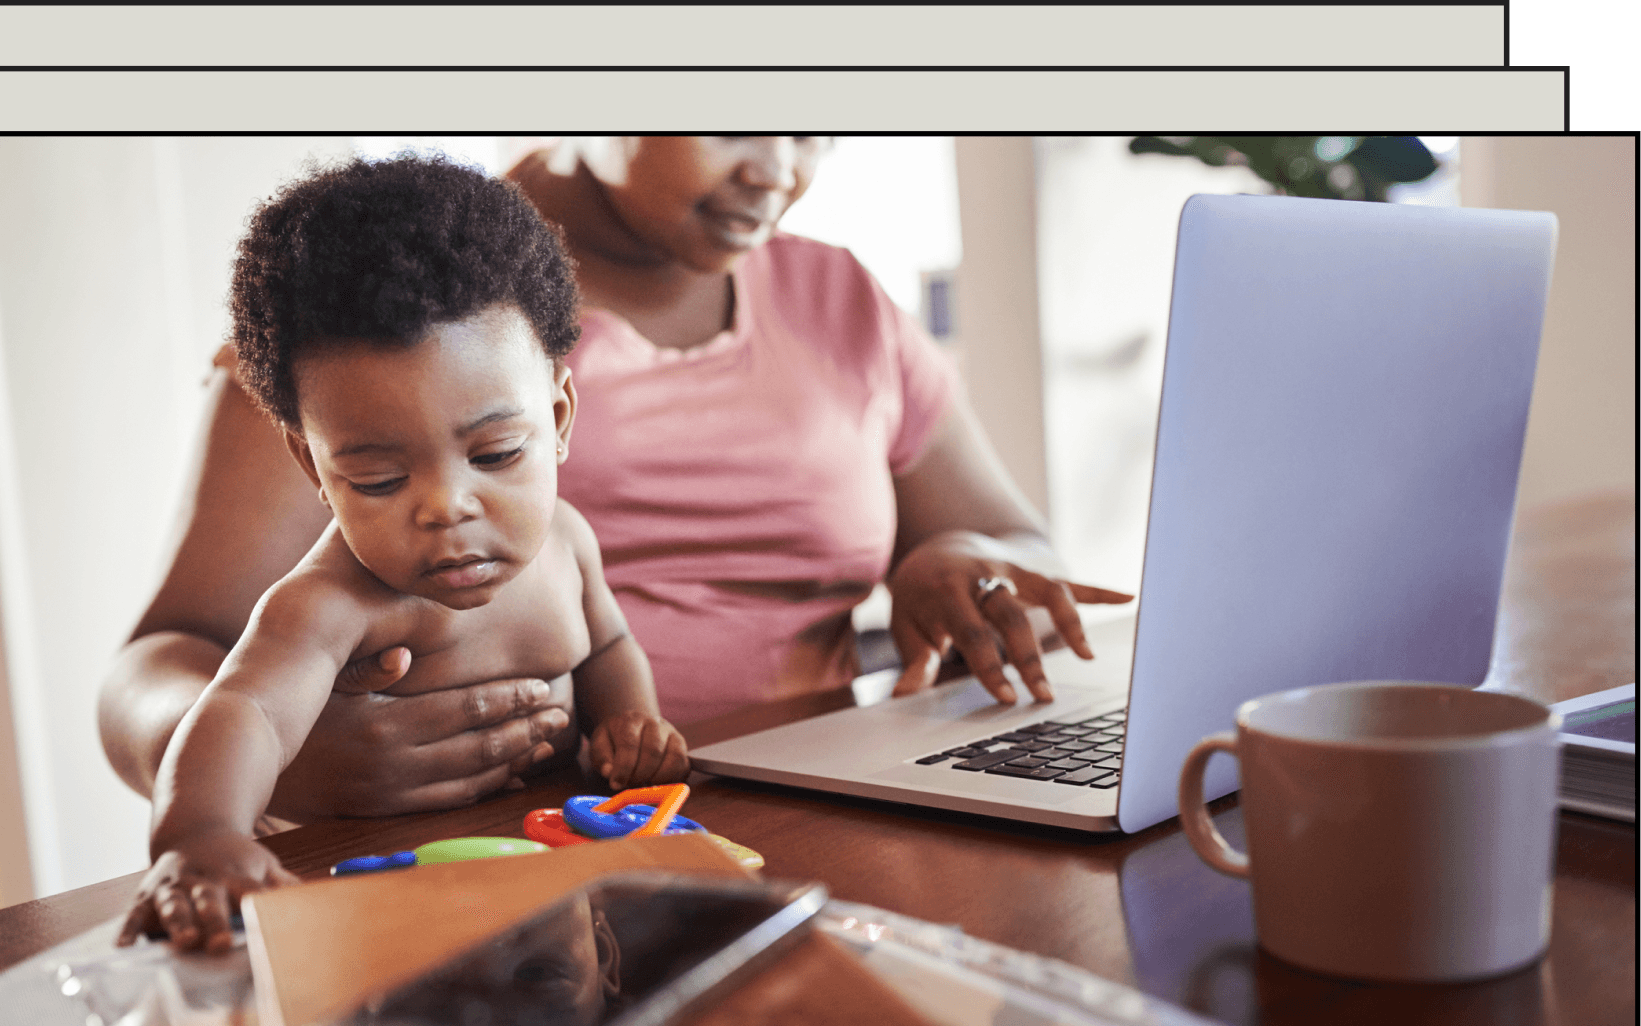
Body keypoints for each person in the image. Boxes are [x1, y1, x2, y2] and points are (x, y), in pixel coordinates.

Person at [98, 137, 1132, 826]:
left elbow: (1019, 547)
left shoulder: (844, 299)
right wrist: (280, 763)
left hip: (812, 817)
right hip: (512, 845)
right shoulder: (378, 320)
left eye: (816, 124)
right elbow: (153, 666)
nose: (778, 169)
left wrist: (962, 562)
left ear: (556, 416)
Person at [117, 156, 688, 953]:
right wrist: (200, 833)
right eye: (379, 479)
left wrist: (631, 724)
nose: (445, 506)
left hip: (551, 891)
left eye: (495, 455)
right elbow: (245, 712)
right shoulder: (328, 604)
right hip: (390, 914)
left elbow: (609, 646)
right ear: (315, 468)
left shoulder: (566, 544)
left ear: (558, 417)